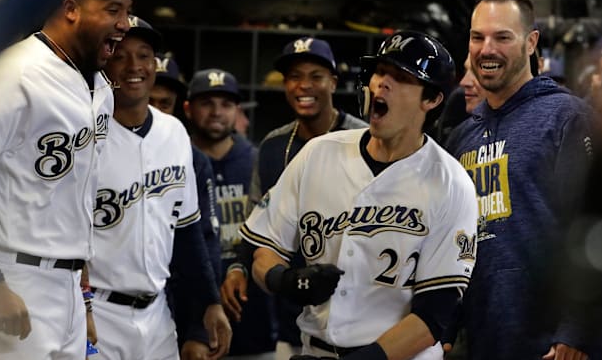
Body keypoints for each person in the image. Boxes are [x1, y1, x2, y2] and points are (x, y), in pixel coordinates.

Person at [0, 0, 151, 359]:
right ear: (70, 9)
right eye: (113, 9)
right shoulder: (15, 72)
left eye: (127, 11)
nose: (125, 25)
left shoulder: (100, 89)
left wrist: (83, 299)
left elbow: (75, 206)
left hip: (67, 284)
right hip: (9, 276)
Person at [240, 30, 479, 360]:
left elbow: (433, 317)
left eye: (400, 77)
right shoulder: (317, 154)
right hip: (315, 350)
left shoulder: (451, 183)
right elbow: (262, 247)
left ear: (432, 99)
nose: (381, 83)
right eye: (380, 72)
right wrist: (285, 279)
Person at [444, 0, 602, 359]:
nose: (487, 49)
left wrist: (576, 331)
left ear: (531, 42)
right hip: (486, 342)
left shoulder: (568, 118)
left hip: (558, 348)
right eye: (477, 37)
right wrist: (447, 326)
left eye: (502, 37)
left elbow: (600, 228)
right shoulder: (461, 138)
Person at [90, 15, 231, 360]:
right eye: (120, 56)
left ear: (155, 65)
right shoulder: (85, 132)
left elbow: (188, 232)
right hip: (98, 310)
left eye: (143, 55)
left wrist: (210, 300)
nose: (133, 66)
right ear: (104, 63)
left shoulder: (174, 133)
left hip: (156, 315)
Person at [222, 36, 368, 359]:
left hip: (359, 316)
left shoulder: (365, 138)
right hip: (293, 317)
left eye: (315, 76)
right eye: (294, 77)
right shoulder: (274, 146)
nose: (304, 86)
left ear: (333, 81)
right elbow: (257, 223)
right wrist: (238, 268)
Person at [184, 69, 274, 358]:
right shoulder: (177, 159)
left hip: (252, 315)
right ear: (188, 108)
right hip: (189, 316)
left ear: (237, 111)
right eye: (206, 103)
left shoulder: (258, 161)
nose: (216, 112)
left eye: (225, 104)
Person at [151, 53, 222, 279]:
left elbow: (205, 236)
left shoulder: (193, 158)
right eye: (149, 101)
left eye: (165, 103)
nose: (156, 111)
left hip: (175, 282)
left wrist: (210, 299)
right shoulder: (105, 144)